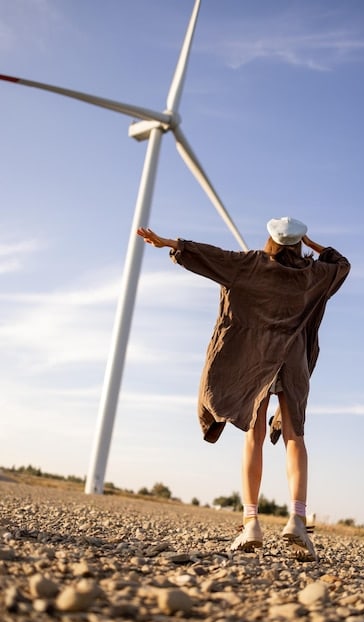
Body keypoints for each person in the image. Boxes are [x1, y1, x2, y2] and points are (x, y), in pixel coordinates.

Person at [137, 217, 350, 561]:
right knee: (295, 437)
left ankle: (251, 522)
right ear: (298, 242)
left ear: (270, 240)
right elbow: (341, 265)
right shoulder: (314, 275)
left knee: (254, 434)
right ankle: (297, 518)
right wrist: (313, 246)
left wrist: (169, 243)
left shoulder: (249, 264)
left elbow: (210, 256)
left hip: (257, 359)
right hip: (292, 361)